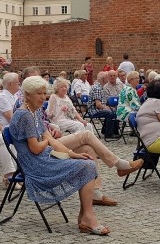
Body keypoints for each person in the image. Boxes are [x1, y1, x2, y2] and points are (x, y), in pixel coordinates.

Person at [9, 76, 107, 235]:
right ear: (27, 95)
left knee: (87, 162)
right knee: (87, 166)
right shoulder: (24, 115)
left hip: (44, 157)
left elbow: (51, 141)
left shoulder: (35, 111)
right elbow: (35, 149)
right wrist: (47, 142)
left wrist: (72, 154)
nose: (43, 97)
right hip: (35, 165)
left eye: (43, 93)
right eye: (38, 94)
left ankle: (86, 216)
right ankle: (87, 217)